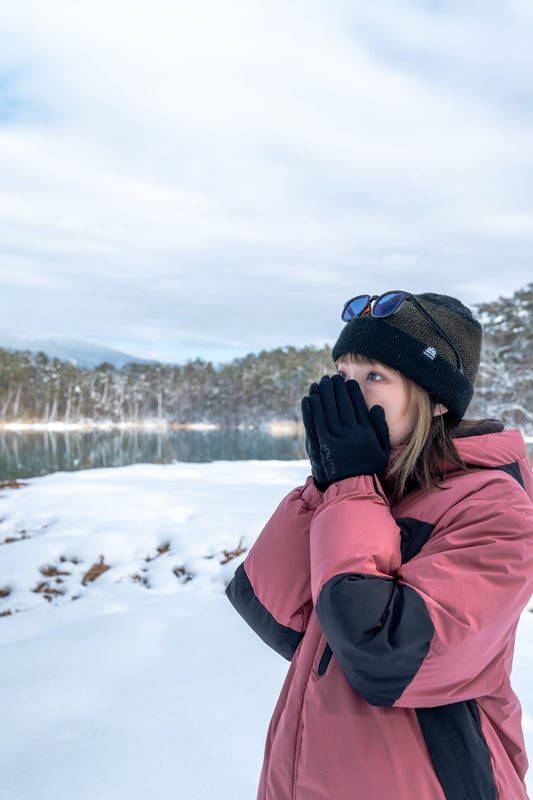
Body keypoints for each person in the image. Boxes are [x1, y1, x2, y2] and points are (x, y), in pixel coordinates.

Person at [225, 291, 533, 800]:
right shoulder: (370, 486)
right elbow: (275, 616)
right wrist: (324, 487)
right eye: (344, 375)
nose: (350, 394)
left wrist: (349, 489)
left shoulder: (495, 506)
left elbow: (384, 654)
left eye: (374, 377)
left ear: (436, 400)